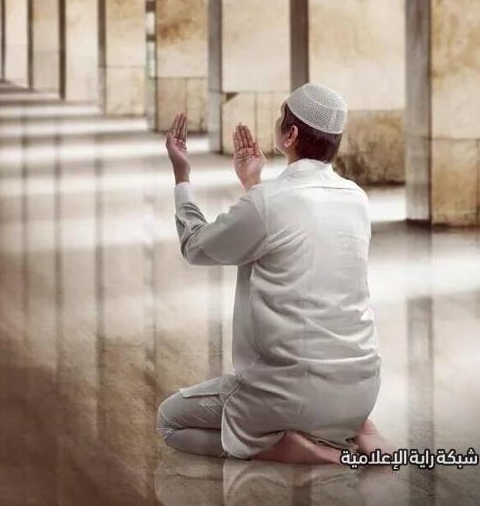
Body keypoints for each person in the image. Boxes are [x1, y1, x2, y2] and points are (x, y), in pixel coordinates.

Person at [156, 83, 392, 463]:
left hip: (287, 394)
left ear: (290, 134)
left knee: (170, 422)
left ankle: (290, 447)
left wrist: (181, 174)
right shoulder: (356, 198)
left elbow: (195, 246)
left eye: (282, 117)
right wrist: (253, 185)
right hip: (363, 389)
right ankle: (351, 430)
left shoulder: (268, 202)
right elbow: (285, 237)